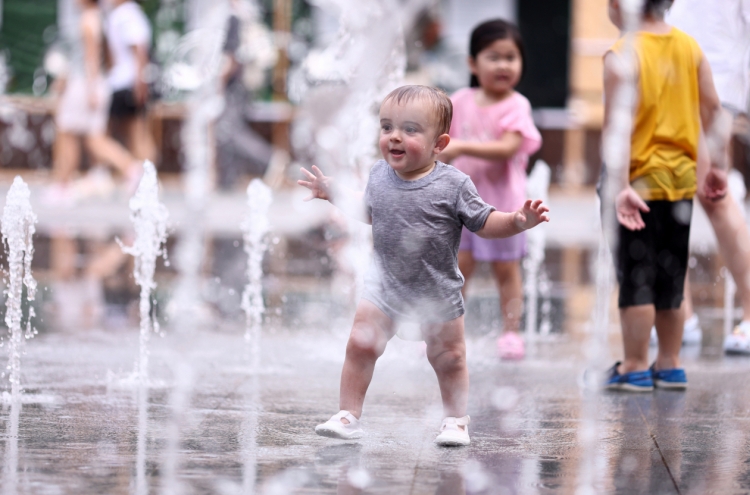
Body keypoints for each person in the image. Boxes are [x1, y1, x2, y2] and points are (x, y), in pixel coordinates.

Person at [298, 85, 549, 446]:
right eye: (387, 127)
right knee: (359, 345)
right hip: (383, 288)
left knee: (449, 359)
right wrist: (333, 193)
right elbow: (369, 210)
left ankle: (455, 421)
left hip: (437, 292)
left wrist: (517, 221)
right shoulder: (379, 175)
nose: (394, 137)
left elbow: (484, 221)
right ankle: (348, 414)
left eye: (410, 130)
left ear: (440, 143)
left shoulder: (454, 184)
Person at [602, 0, 729, 391]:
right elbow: (713, 110)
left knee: (637, 276)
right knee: (670, 277)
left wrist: (620, 186)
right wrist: (716, 166)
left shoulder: (622, 54)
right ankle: (670, 364)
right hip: (681, 183)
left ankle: (635, 365)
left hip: (637, 184)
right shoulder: (689, 47)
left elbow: (618, 129)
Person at [438, 19, 542, 360]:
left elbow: (508, 147)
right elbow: (441, 142)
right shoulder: (460, 100)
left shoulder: (517, 105)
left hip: (504, 208)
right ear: (472, 63)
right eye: (493, 57)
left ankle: (511, 333)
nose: (503, 65)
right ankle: (448, 328)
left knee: (506, 269)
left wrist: (461, 147)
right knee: (459, 268)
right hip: (463, 205)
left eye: (511, 57)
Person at [660, 0, 750, 353]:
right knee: (664, 193)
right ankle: (678, 312)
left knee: (713, 193)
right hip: (661, 77)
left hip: (712, 83)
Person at [49, 0, 143, 203]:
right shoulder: (102, 18)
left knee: (67, 133)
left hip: (83, 84)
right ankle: (131, 168)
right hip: (96, 83)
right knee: (93, 138)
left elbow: (90, 58)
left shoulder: (88, 19)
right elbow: (107, 59)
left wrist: (91, 89)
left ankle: (62, 186)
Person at [105, 0, 156, 163]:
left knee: (136, 132)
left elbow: (139, 50)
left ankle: (146, 175)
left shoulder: (128, 15)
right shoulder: (122, 14)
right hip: (122, 82)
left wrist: (140, 84)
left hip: (127, 82)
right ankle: (141, 174)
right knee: (131, 132)